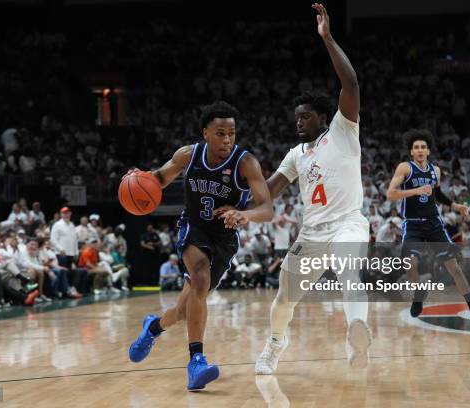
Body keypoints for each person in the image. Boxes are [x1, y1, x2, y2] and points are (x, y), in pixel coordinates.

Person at [253, 3, 372, 375]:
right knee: (284, 300)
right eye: (296, 118)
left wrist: (327, 37)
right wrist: (239, 202)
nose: (299, 122)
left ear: (323, 116)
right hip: (312, 234)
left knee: (350, 269)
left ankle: (356, 333)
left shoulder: (343, 129)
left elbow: (350, 83)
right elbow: (268, 191)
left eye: (305, 116)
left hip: (348, 223)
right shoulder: (295, 155)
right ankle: (276, 343)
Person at [127, 100, 273, 390]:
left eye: (231, 133)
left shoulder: (245, 163)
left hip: (224, 239)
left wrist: (244, 214)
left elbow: (267, 208)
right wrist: (138, 179)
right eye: (220, 133)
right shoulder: (187, 156)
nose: (227, 139)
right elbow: (158, 179)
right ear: (205, 132)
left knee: (185, 310)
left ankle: (153, 327)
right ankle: (196, 363)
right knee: (201, 276)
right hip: (193, 229)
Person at [386, 129, 470, 324]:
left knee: (454, 268)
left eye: (423, 147)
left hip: (434, 224)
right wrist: (416, 190)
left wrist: (455, 205)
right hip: (413, 225)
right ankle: (419, 293)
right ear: (411, 152)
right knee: (409, 264)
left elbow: (438, 195)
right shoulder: (405, 168)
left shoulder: (435, 170)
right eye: (416, 147)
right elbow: (390, 194)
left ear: (428, 151)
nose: (420, 150)